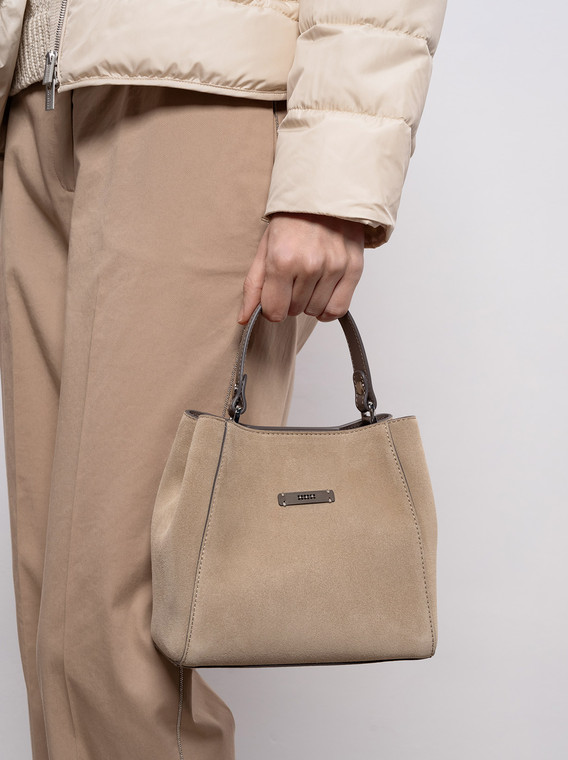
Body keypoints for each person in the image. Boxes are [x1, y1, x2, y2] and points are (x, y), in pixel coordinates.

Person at [0, 1, 448, 758]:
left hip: (205, 94)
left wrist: (331, 182)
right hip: (35, 101)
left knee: (120, 639)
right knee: (61, 644)